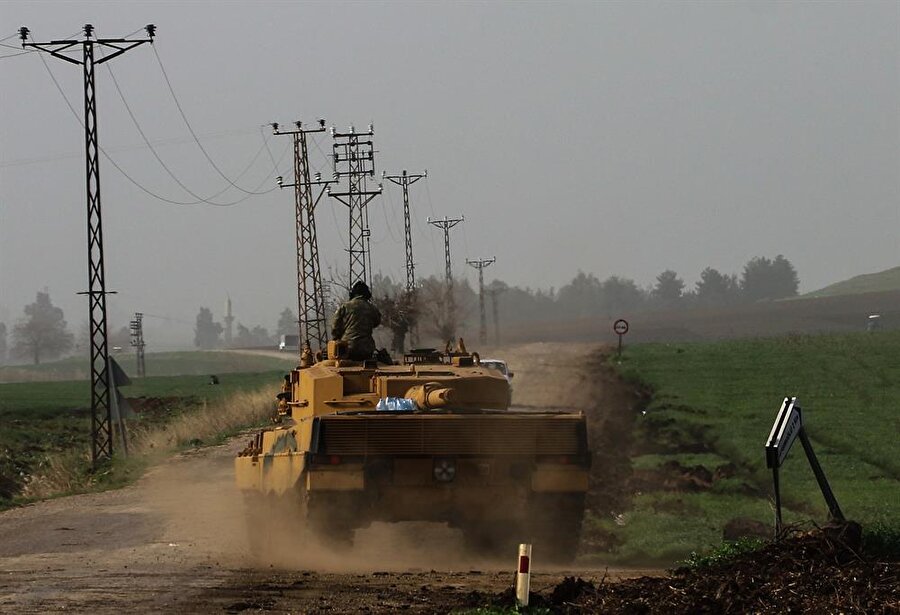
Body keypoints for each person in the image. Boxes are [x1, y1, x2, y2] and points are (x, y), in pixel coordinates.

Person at [332, 281, 382, 361]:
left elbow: (335, 327)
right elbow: (376, 322)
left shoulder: (344, 307)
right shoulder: (372, 308)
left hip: (346, 349)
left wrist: (337, 337)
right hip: (367, 350)